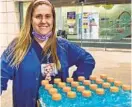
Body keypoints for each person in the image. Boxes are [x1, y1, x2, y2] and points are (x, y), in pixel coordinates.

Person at [0, 0, 95, 107]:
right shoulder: (17, 47)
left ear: (53, 19)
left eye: (48, 16)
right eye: (38, 16)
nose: (43, 21)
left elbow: (87, 60)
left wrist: (75, 82)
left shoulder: (63, 46)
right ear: (30, 20)